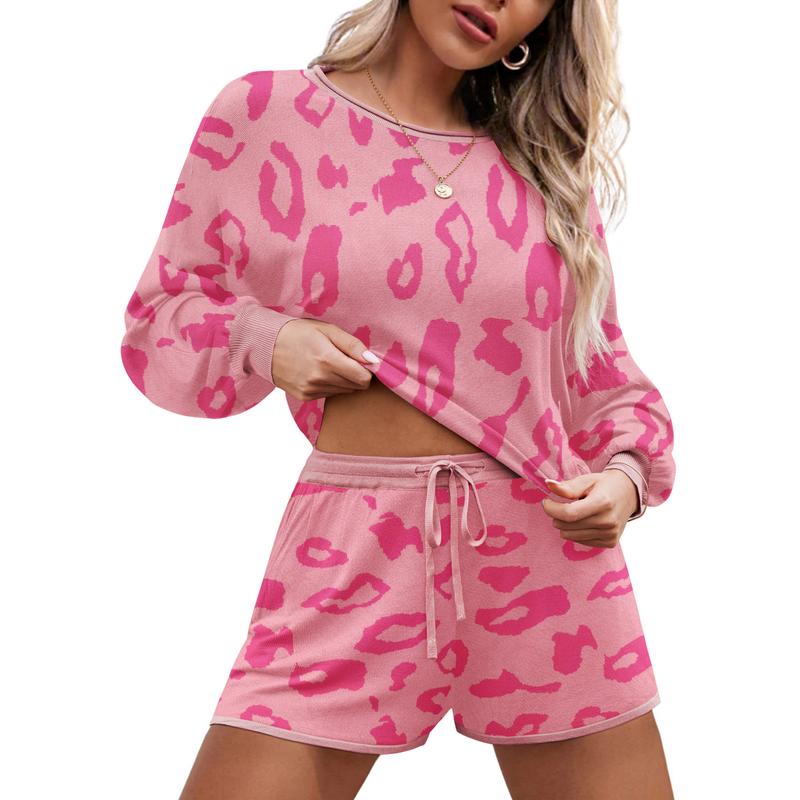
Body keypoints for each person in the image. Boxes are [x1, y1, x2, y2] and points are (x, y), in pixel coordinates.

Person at [120, 1, 676, 797]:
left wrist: (624, 479)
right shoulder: (266, 113)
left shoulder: (544, 163)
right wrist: (268, 339)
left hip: (546, 561)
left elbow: (600, 370)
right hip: (350, 552)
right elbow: (158, 322)